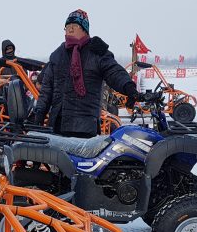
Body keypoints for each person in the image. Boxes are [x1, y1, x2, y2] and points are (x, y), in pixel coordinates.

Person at [30, 9, 143, 138]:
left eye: (75, 26)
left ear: (85, 30)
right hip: (58, 126)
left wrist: (129, 87)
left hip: (85, 126)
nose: (70, 30)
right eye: (67, 27)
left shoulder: (96, 51)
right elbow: (46, 90)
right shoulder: (58, 54)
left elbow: (114, 72)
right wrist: (39, 115)